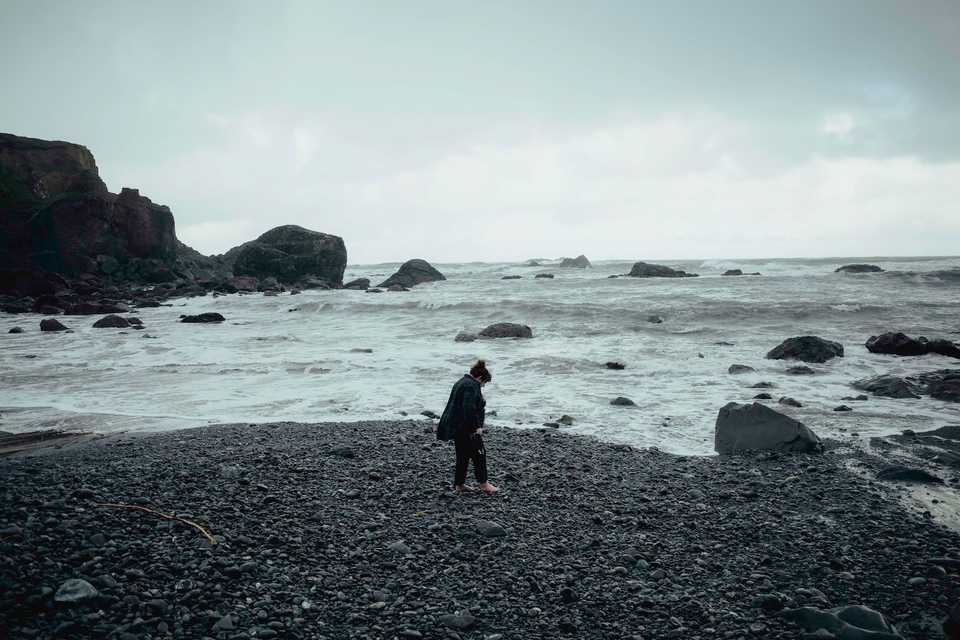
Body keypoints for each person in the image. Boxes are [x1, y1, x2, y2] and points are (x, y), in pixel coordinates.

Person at [437, 360, 499, 494]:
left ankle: (459, 485)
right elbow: (468, 409)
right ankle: (484, 484)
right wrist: (476, 427)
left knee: (463, 455)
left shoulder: (461, 382)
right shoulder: (471, 386)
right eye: (484, 383)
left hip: (457, 426)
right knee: (479, 454)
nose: (483, 386)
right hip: (466, 428)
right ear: (480, 378)